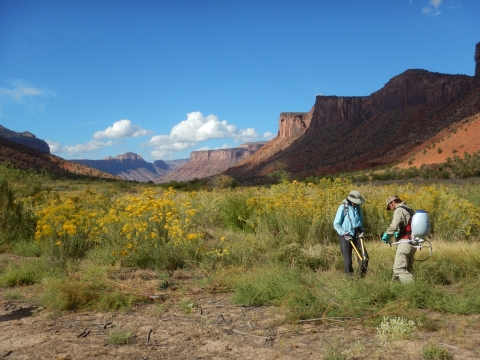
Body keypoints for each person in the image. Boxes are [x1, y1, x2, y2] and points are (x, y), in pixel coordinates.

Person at [382, 195, 416, 283]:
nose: (391, 208)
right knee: (406, 269)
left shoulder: (399, 210)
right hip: (413, 242)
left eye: (390, 206)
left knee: (398, 269)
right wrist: (400, 232)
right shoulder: (409, 209)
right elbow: (408, 225)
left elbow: (393, 226)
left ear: (393, 202)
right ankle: (393, 288)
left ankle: (412, 289)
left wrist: (387, 235)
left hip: (405, 243)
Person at [333, 190, 368, 276]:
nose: (356, 203)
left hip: (357, 234)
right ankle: (350, 279)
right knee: (348, 260)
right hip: (345, 235)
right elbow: (336, 224)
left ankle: (361, 277)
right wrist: (344, 233)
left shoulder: (358, 207)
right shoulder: (343, 207)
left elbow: (360, 221)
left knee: (364, 257)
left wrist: (362, 230)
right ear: (350, 200)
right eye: (355, 202)